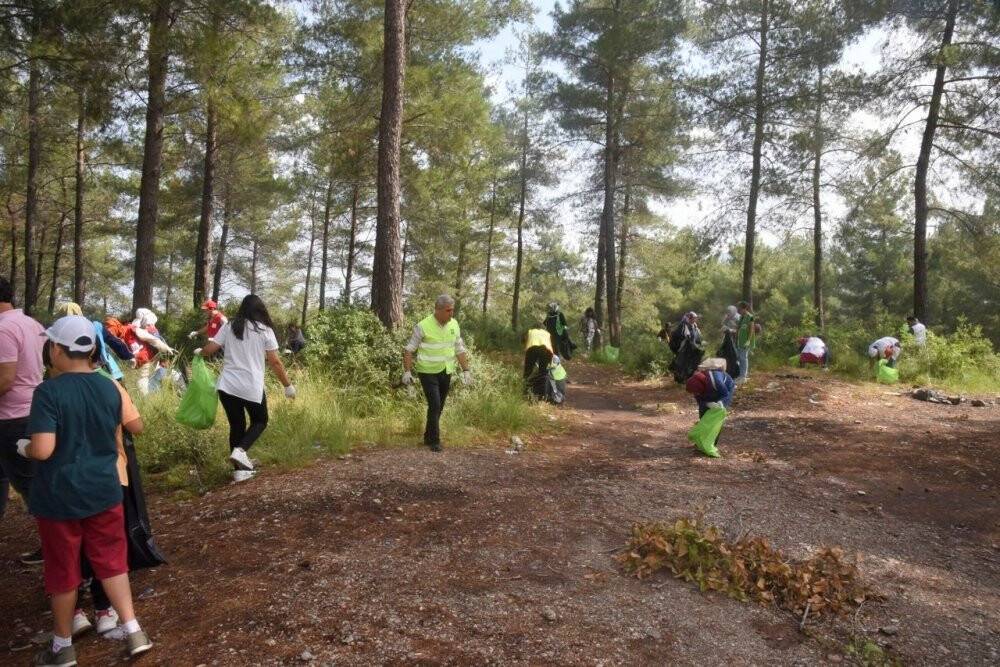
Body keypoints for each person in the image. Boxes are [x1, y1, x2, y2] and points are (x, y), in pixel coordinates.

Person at [20, 315, 153, 664]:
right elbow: (130, 427)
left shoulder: (48, 393)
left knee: (63, 570)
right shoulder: (109, 386)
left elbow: (44, 449)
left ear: (57, 351)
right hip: (105, 491)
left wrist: (24, 448)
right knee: (112, 562)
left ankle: (63, 648)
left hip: (59, 497)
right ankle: (133, 629)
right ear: (92, 349)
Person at [198, 295, 295, 483]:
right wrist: (288, 385)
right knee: (260, 420)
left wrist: (199, 352)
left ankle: (239, 470)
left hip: (227, 385)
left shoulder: (230, 325)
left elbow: (210, 349)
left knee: (237, 425)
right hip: (250, 385)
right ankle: (240, 452)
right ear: (260, 310)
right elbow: (275, 361)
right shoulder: (264, 330)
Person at [0, 276, 46, 565]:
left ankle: (55, 543)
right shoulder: (32, 323)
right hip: (32, 410)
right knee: (29, 480)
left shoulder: (3, 329)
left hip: (11, 416)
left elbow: (5, 379)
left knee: (29, 484)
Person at [401, 295, 473, 452]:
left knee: (438, 407)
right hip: (427, 371)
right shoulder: (423, 326)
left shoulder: (454, 324)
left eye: (452, 310)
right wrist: (407, 372)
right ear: (438, 310)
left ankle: (428, 436)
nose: (451, 313)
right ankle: (434, 441)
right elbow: (409, 349)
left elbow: (459, 349)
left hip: (446, 370)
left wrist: (466, 370)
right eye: (448, 310)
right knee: (435, 404)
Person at [685, 365, 735, 449]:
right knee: (703, 417)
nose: (695, 394)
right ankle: (701, 442)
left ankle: (711, 444)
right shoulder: (696, 384)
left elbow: (726, 394)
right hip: (707, 389)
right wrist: (707, 404)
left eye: (696, 392)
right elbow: (699, 399)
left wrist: (721, 403)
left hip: (724, 389)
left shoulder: (717, 381)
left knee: (715, 420)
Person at [668, 311, 705, 384]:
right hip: (684, 349)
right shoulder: (683, 325)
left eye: (695, 318)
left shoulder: (695, 326)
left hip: (692, 349)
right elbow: (679, 336)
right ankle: (681, 380)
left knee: (691, 363)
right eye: (694, 318)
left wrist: (699, 343)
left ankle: (689, 378)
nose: (695, 319)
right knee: (682, 363)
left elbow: (697, 337)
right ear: (690, 318)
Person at [523, 323, 554, 399]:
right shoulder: (547, 333)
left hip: (532, 349)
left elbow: (523, 341)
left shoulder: (530, 331)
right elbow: (550, 345)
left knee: (528, 371)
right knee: (543, 373)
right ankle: (542, 394)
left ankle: (525, 392)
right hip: (546, 350)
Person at [735, 301, 756, 384]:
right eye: (738, 308)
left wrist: (748, 341)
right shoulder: (741, 317)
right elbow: (739, 327)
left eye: (740, 308)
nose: (739, 310)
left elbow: (751, 330)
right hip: (740, 341)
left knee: (743, 358)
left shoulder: (750, 317)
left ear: (745, 308)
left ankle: (743, 376)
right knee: (740, 358)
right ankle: (741, 375)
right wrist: (736, 336)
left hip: (746, 341)